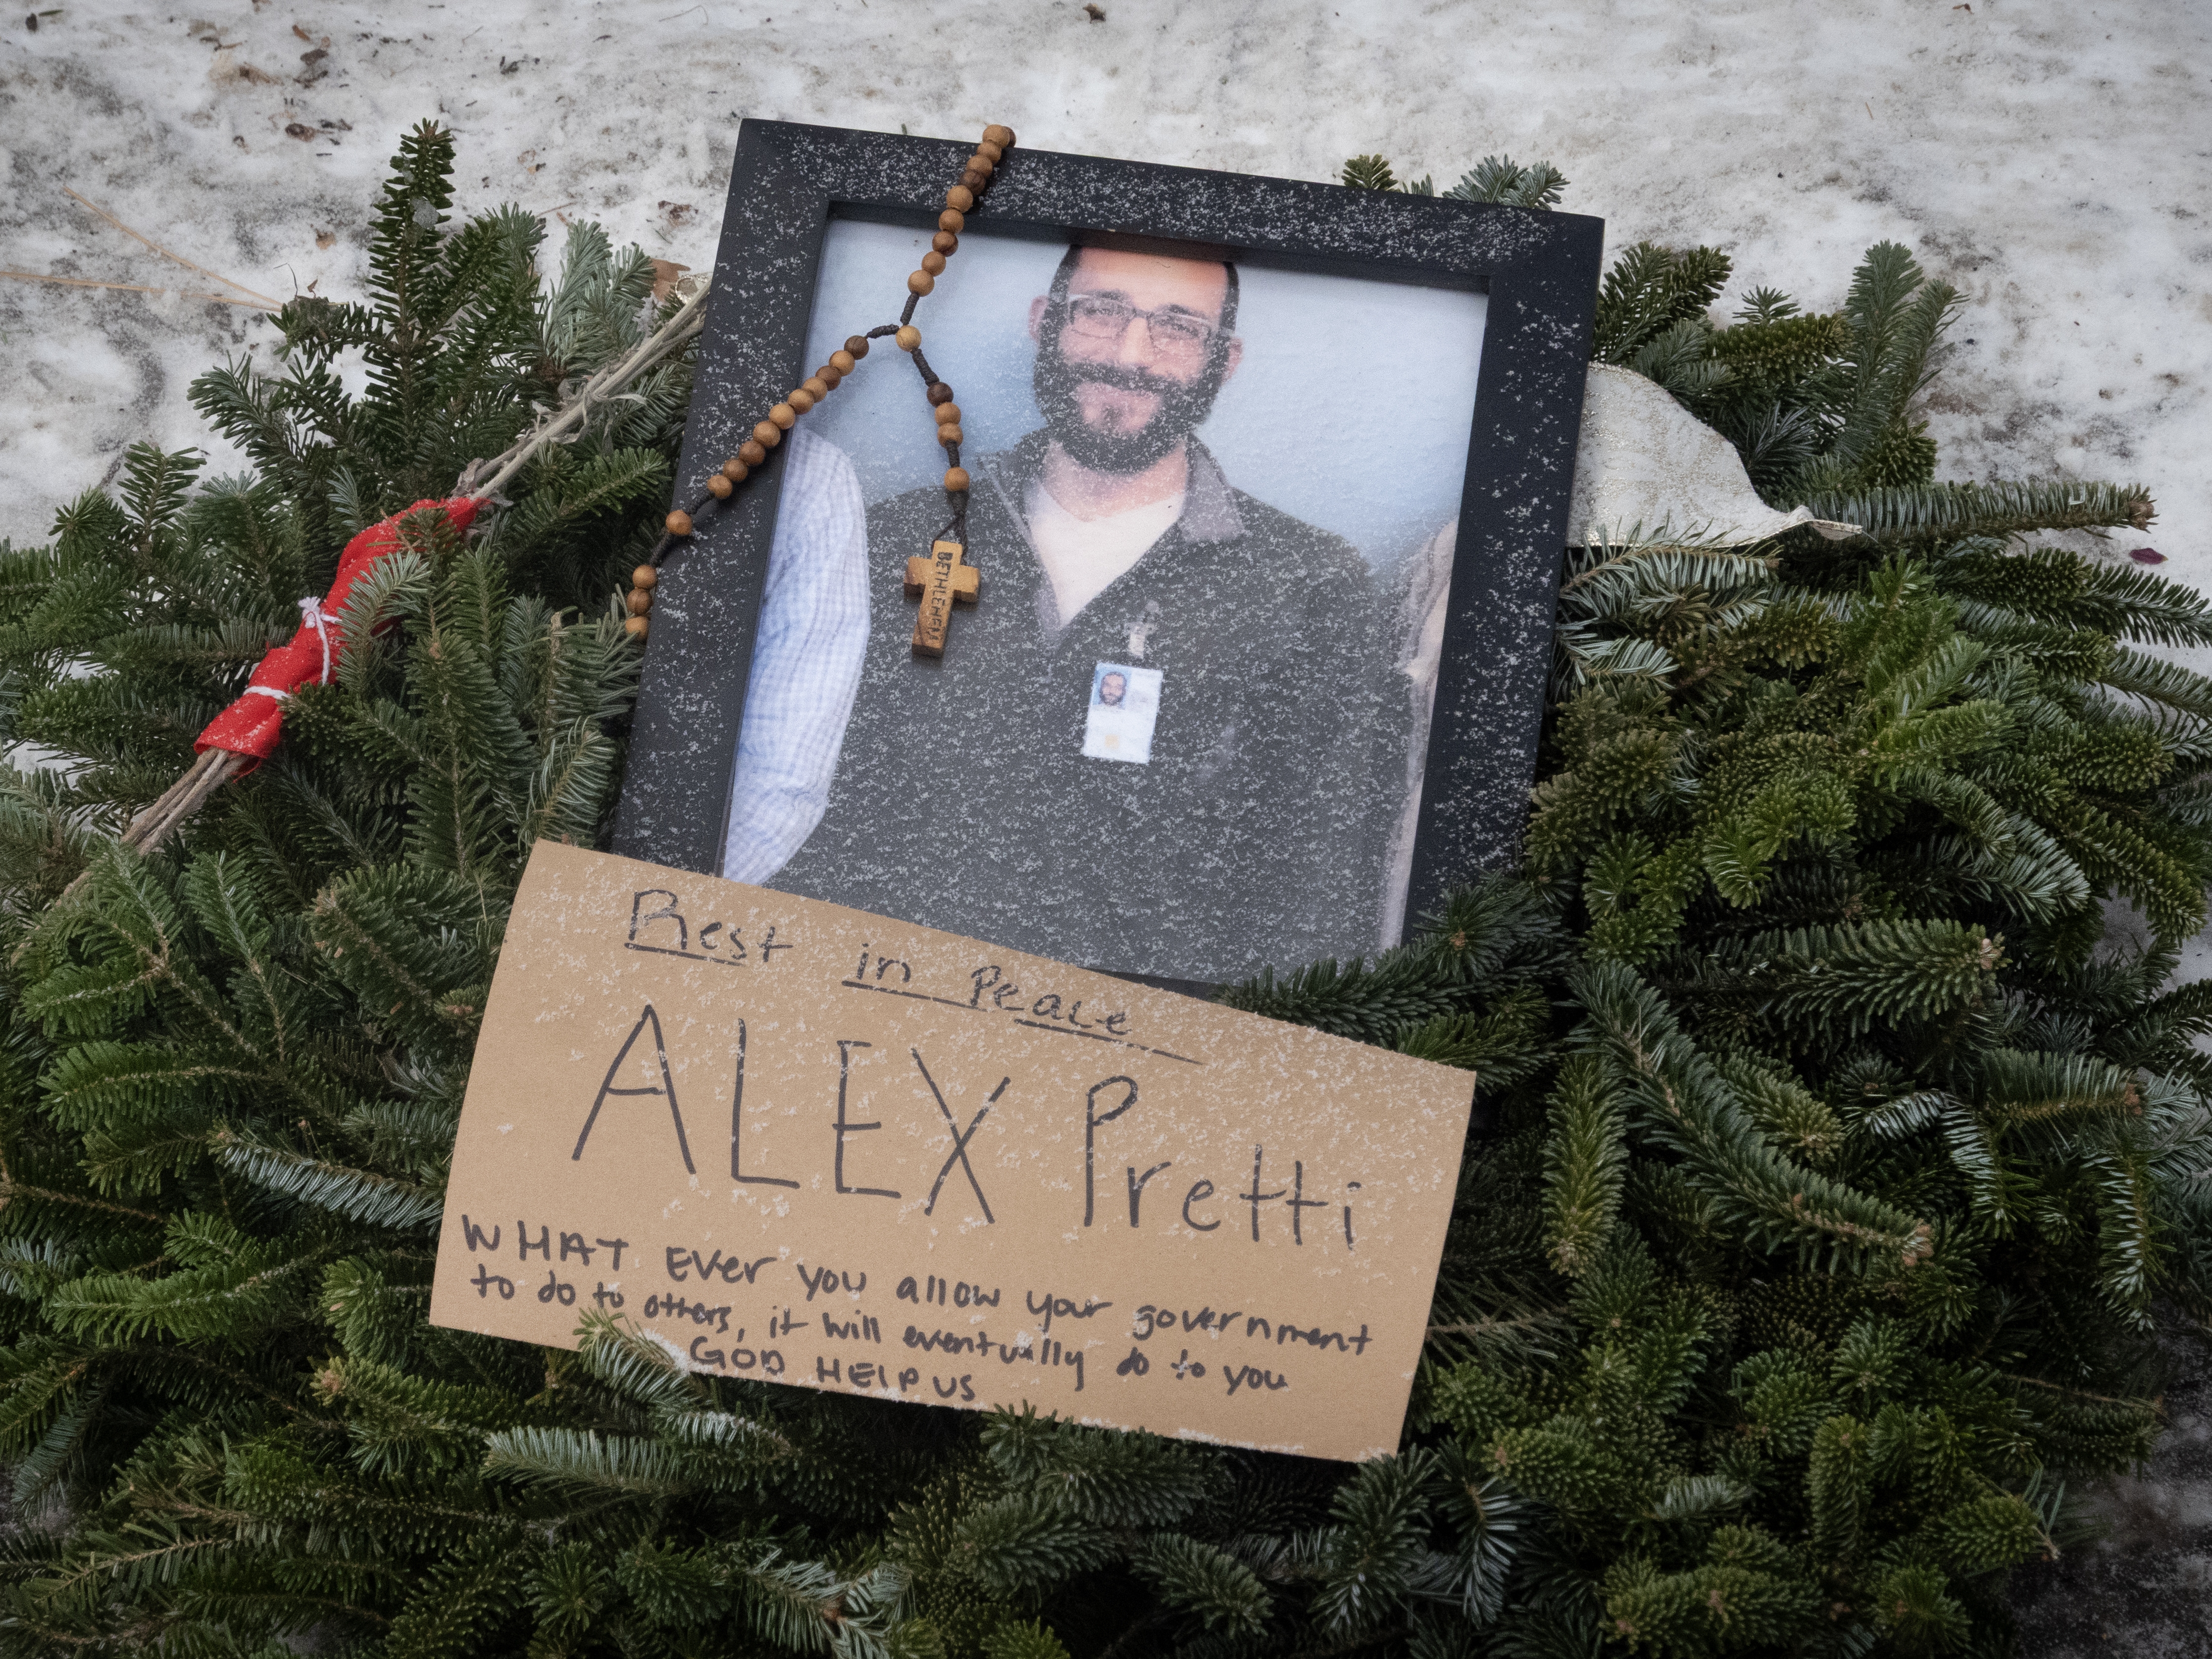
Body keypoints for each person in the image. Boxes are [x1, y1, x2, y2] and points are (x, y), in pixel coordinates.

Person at [764, 244, 1404, 983]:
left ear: (1222, 361)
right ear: (1044, 323)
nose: (1132, 354)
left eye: (1176, 328)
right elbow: (802, 800)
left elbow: (1317, 888)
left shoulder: (1309, 585)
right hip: (874, 1013)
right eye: (1102, 312)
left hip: (1138, 1057)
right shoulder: (889, 540)